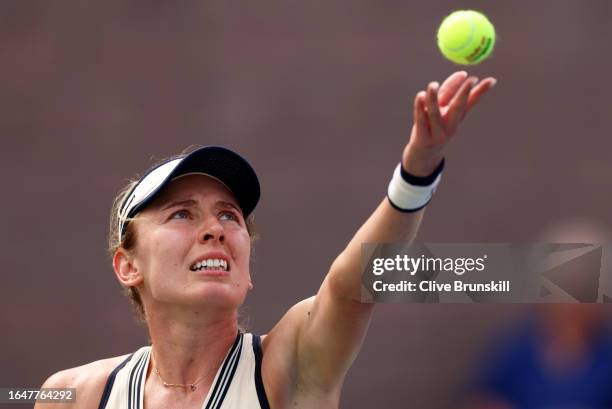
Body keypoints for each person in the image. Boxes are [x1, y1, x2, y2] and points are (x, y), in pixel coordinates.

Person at [36, 71, 496, 409]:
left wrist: (416, 174)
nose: (214, 229)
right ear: (127, 265)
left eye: (229, 215)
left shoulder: (287, 367)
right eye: (181, 214)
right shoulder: (71, 395)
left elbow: (353, 285)